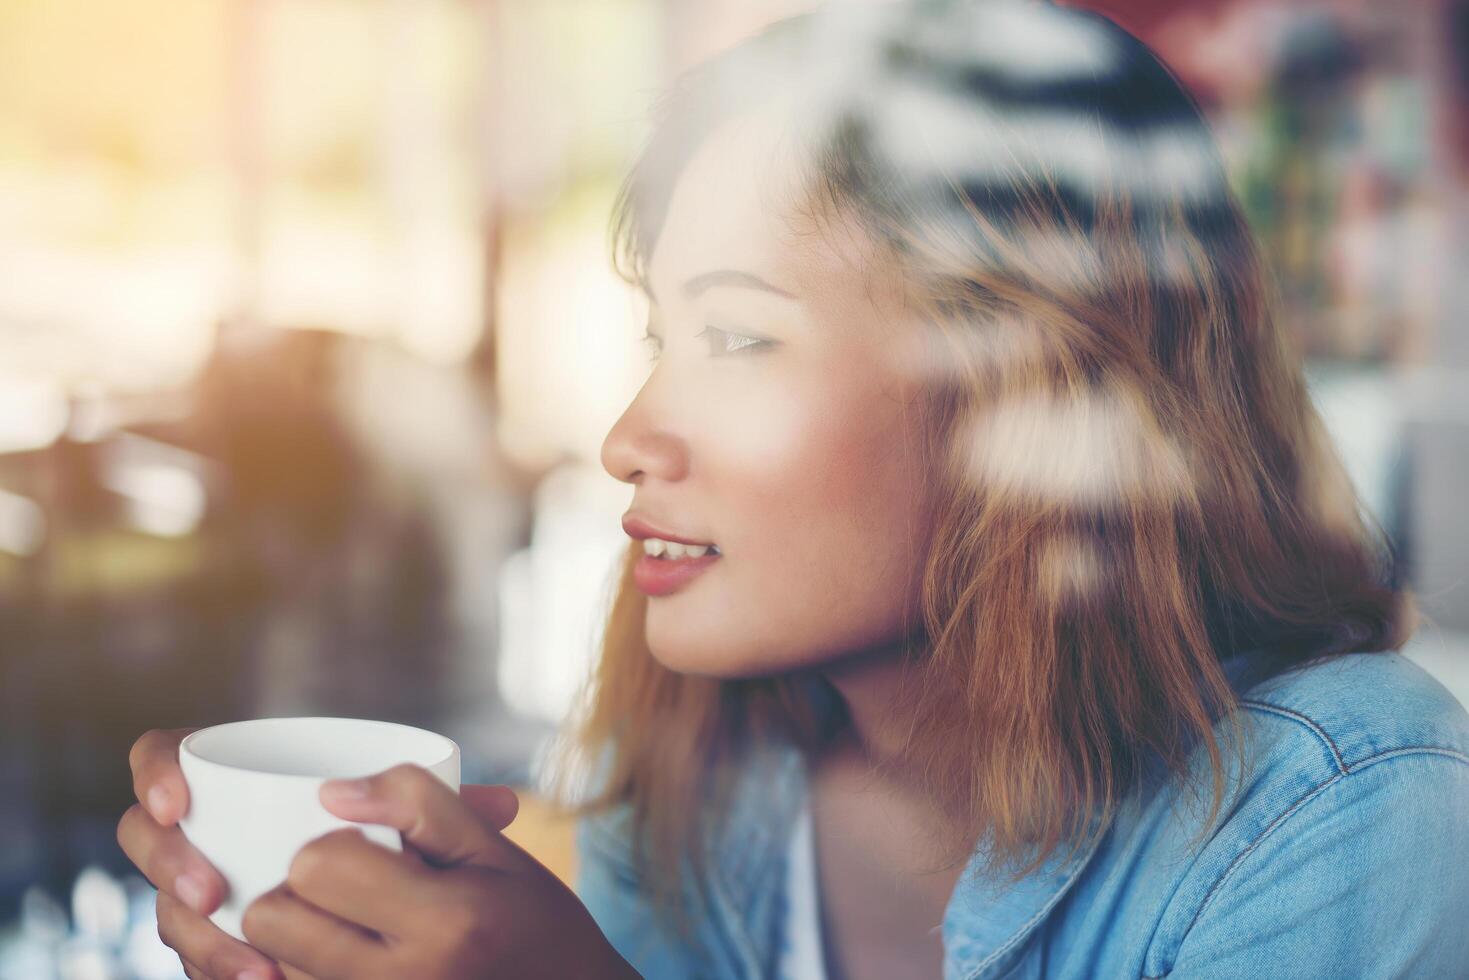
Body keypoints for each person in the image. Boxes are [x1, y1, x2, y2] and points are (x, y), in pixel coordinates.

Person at [117, 2, 1469, 978]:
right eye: (663, 339)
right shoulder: (696, 787)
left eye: (742, 339)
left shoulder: (1343, 813)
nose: (628, 438)